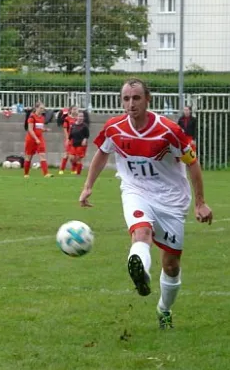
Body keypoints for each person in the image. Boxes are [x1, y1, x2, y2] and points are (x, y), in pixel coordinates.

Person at [79, 78, 213, 329]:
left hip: (171, 200)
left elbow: (192, 162)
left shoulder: (169, 130)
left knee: (171, 265)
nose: (131, 104)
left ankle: (164, 309)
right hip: (135, 191)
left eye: (136, 98)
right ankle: (140, 271)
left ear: (147, 99)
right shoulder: (114, 128)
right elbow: (102, 153)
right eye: (126, 98)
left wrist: (200, 203)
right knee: (141, 231)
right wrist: (88, 186)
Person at [23, 103, 52, 178]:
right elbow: (30, 130)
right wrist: (36, 139)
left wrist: (45, 130)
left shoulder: (42, 117)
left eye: (43, 108)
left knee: (42, 155)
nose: (42, 110)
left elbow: (39, 128)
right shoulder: (31, 117)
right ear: (36, 108)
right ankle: (26, 174)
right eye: (41, 108)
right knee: (29, 157)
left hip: (40, 139)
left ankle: (46, 174)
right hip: (31, 139)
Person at [68, 111, 90, 175]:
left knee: (78, 159)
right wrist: (68, 140)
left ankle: (78, 173)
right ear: (76, 117)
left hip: (81, 145)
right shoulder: (73, 125)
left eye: (82, 116)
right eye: (79, 116)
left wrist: (85, 139)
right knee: (71, 158)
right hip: (73, 144)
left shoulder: (84, 126)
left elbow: (87, 135)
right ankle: (76, 167)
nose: (81, 118)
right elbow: (71, 135)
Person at [58, 106, 78, 174]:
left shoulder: (78, 119)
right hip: (70, 139)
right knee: (66, 154)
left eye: (76, 109)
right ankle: (61, 169)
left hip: (76, 140)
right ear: (70, 110)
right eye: (74, 109)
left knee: (74, 156)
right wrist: (67, 139)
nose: (75, 111)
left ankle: (73, 170)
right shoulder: (67, 118)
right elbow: (65, 129)